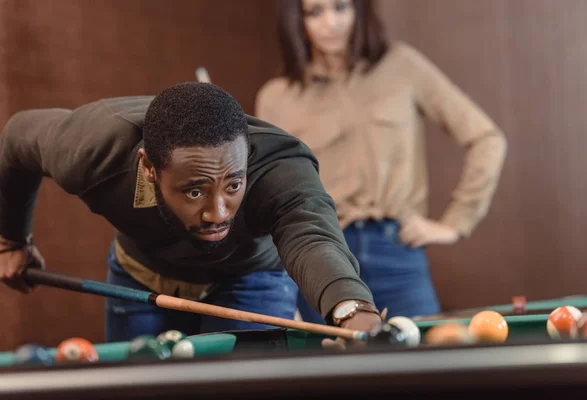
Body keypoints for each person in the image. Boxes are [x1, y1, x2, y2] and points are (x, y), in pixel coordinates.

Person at [0, 82, 382, 346]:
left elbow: (311, 235)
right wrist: (12, 238)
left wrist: (349, 307)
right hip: (139, 275)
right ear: (149, 167)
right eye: (195, 190)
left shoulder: (280, 168)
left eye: (233, 185)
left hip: (248, 278)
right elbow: (17, 137)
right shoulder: (93, 149)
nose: (218, 213)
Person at [255, 0, 507, 323]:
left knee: (429, 365)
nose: (330, 22)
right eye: (315, 12)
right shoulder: (276, 97)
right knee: (333, 370)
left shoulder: (402, 66)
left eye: (340, 7)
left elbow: (487, 138)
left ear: (359, 10)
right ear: (297, 21)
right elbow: (271, 191)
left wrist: (456, 222)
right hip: (322, 254)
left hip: (396, 248)